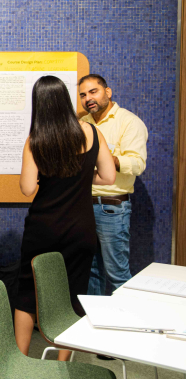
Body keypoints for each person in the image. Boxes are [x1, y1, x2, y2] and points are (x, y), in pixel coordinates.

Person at [15, 76, 116, 360]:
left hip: (43, 228)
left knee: (27, 294)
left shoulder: (36, 140)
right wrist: (84, 178)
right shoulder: (92, 132)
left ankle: (20, 359)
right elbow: (108, 176)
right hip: (80, 228)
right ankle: (62, 365)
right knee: (72, 294)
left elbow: (27, 189)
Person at [78, 74, 148, 296]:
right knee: (90, 272)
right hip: (82, 207)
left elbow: (137, 164)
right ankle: (94, 325)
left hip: (112, 208)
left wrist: (107, 160)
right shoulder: (82, 123)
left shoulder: (129, 122)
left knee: (117, 273)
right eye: (83, 95)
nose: (88, 98)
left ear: (107, 92)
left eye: (93, 92)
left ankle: (129, 327)